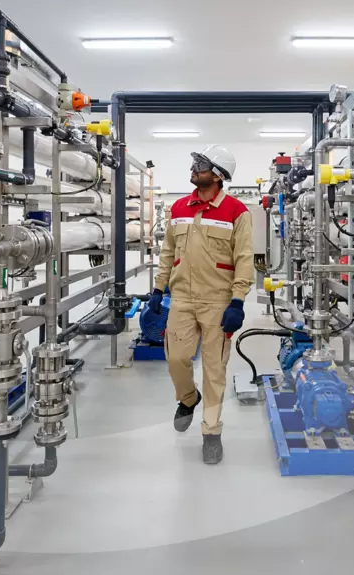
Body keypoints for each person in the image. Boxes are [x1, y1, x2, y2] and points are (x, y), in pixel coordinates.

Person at [148, 145, 254, 464]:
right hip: (180, 298)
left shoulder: (237, 212)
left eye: (202, 165)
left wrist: (237, 301)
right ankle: (188, 398)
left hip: (218, 302)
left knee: (214, 370)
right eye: (195, 163)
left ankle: (211, 432)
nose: (194, 169)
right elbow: (168, 252)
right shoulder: (179, 207)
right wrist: (157, 289)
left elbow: (244, 259)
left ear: (218, 175)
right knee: (176, 359)